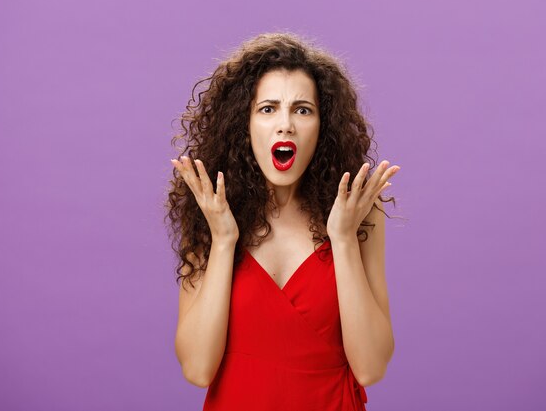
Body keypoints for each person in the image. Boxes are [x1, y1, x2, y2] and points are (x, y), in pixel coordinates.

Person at [165, 32, 400, 411]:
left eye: (303, 110)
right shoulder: (209, 208)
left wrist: (341, 240)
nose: (286, 124)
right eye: (268, 108)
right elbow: (197, 369)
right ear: (244, 123)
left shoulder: (358, 212)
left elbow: (371, 368)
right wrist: (224, 240)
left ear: (323, 127)